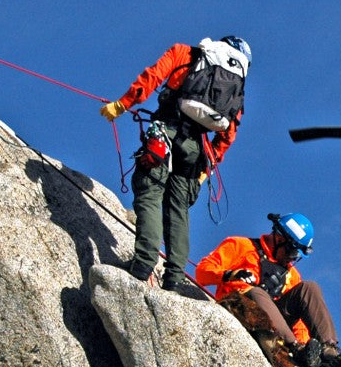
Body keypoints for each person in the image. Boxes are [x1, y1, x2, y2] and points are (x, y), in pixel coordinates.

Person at [99, 36, 251, 290]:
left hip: (165, 133)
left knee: (149, 193)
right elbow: (228, 134)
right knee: (178, 209)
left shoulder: (186, 54)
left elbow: (152, 77)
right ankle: (174, 278)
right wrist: (206, 169)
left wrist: (123, 105)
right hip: (195, 150)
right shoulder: (237, 87)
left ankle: (144, 263)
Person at [195, 213, 341, 367]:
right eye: (292, 252)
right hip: (239, 310)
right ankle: (295, 348)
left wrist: (308, 347)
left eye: (296, 255)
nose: (292, 258)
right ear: (279, 239)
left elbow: (299, 323)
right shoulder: (241, 245)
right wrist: (229, 275)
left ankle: (328, 350)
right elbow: (202, 272)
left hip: (275, 324)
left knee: (309, 288)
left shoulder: (291, 275)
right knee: (257, 292)